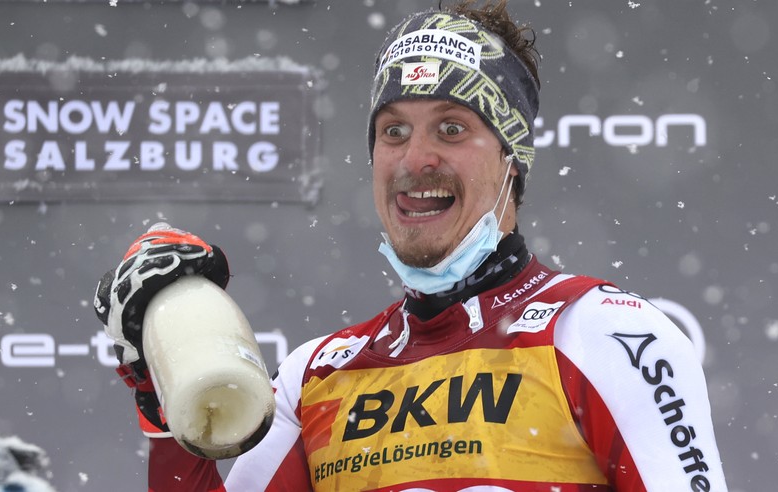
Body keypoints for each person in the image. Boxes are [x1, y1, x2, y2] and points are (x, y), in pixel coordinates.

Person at [94, 1, 729, 490]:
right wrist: (164, 395)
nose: (414, 158)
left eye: (451, 128)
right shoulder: (315, 375)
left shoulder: (601, 334)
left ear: (512, 160)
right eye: (393, 131)